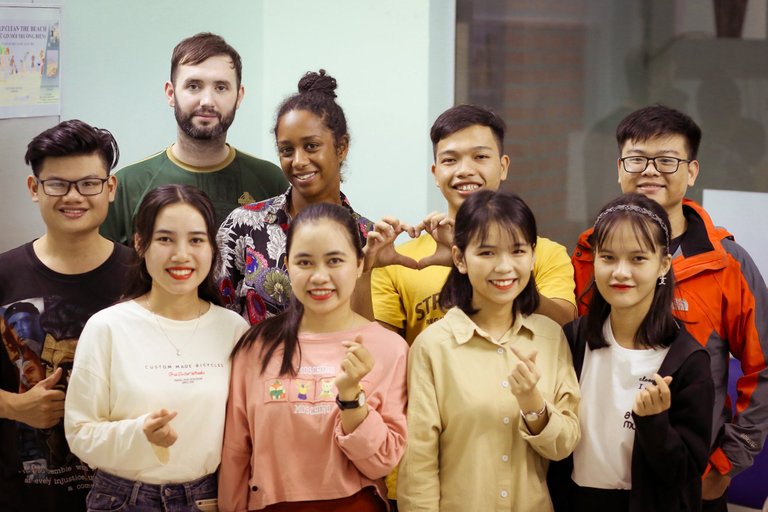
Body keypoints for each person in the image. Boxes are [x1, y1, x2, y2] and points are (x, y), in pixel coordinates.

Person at [571, 105, 768, 511]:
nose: (650, 171)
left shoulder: (727, 263)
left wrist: (726, 464)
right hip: (589, 478)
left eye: (667, 160)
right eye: (637, 159)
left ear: (692, 172)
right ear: (619, 168)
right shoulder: (589, 256)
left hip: (687, 476)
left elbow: (762, 369)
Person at [65, 184, 248, 512]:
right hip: (123, 500)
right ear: (140, 243)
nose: (181, 255)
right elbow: (79, 433)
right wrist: (140, 434)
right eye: (165, 239)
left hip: (211, 497)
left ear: (212, 247)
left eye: (196, 240)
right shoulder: (108, 327)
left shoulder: (233, 329)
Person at [397, 190, 580, 512]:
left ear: (533, 256)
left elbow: (563, 446)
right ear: (459, 259)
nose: (504, 266)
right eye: (487, 253)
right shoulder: (433, 345)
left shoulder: (551, 337)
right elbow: (419, 464)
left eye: (517, 251)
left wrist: (533, 404)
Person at [219, 202, 407, 511]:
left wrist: (351, 398)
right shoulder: (257, 347)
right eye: (305, 262)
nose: (320, 276)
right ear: (288, 265)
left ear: (359, 264)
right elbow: (236, 453)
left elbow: (381, 462)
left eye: (335, 261)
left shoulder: (389, 348)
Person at [0, 119, 135, 512]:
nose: (74, 196)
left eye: (89, 183)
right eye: (57, 184)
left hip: (124, 495)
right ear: (34, 189)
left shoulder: (143, 277)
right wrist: (12, 406)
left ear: (110, 188)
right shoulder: (4, 275)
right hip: (23, 495)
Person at [552, 194, 713, 511]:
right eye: (608, 257)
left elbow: (684, 472)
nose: (620, 272)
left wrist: (654, 423)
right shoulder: (572, 339)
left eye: (638, 259)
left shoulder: (687, 359)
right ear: (594, 260)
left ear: (663, 264)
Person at [371, 104, 577, 347]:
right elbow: (377, 353)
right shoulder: (402, 261)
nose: (465, 171)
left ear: (503, 167)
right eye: (450, 160)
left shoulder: (542, 252)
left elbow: (566, 327)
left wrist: (485, 267)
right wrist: (365, 269)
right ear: (436, 174)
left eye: (480, 157)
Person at [218, 69, 388, 325]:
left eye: (311, 146)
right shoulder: (243, 226)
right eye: (287, 150)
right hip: (254, 364)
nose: (298, 162)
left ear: (341, 147)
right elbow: (212, 317)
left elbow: (375, 335)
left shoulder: (368, 238)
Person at [101, 32, 287, 245]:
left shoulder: (271, 181)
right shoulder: (127, 186)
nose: (207, 101)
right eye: (193, 86)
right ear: (171, 94)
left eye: (221, 87)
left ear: (239, 96)